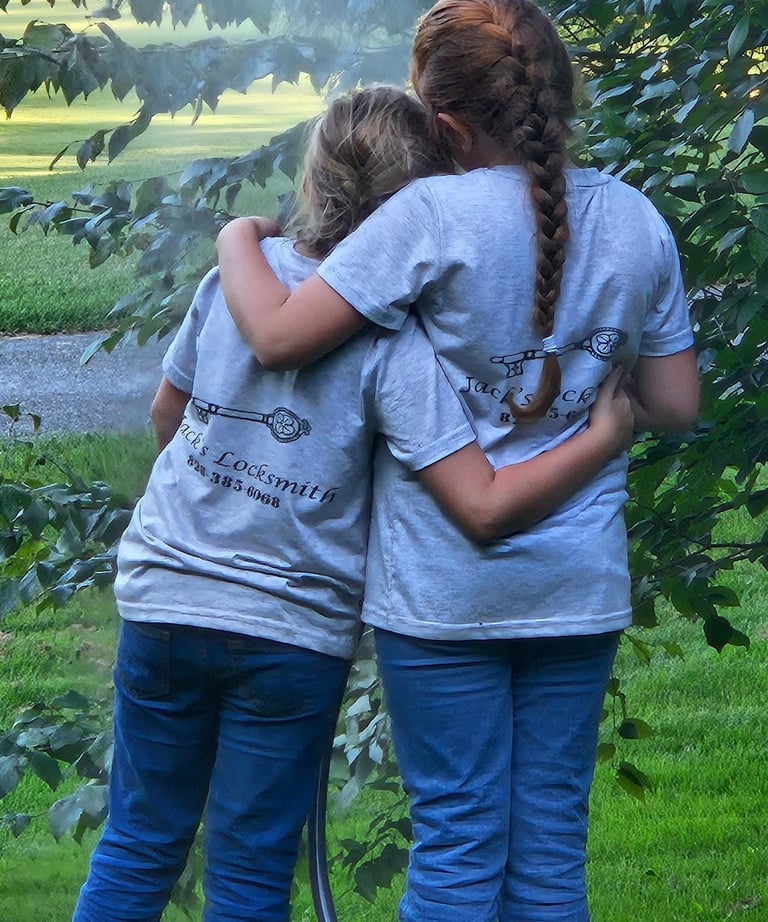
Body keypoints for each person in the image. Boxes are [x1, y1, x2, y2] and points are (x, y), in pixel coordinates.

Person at [72, 85, 632, 922]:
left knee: (138, 839)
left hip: (164, 599)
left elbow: (168, 414)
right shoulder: (397, 345)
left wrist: (214, 518)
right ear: (425, 203)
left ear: (314, 177)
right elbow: (463, 488)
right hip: (292, 635)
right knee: (251, 873)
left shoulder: (233, 285)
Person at [214, 3, 700, 921]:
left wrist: (234, 238)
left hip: (442, 595)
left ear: (442, 124)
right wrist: (598, 382)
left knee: (459, 837)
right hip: (577, 588)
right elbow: (675, 405)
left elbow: (279, 338)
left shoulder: (429, 215)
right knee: (552, 843)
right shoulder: (635, 218)